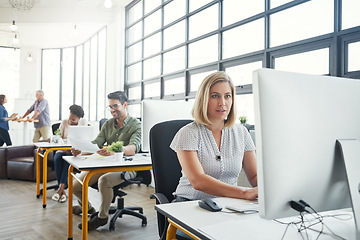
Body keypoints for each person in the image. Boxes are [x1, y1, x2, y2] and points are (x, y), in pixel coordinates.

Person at [170, 71, 258, 202]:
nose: (222, 103)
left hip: (227, 204)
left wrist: (268, 190)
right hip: (189, 203)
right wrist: (244, 193)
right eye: (215, 96)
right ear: (204, 99)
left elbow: (254, 176)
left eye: (227, 96)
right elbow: (198, 181)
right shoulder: (188, 133)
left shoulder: (242, 133)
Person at [71, 91, 141, 231]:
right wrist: (81, 150)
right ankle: (90, 209)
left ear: (125, 105)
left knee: (104, 181)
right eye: (110, 106)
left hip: (127, 166)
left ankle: (102, 218)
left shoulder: (135, 124)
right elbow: (96, 144)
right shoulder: (108, 124)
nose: (112, 109)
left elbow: (133, 148)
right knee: (76, 185)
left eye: (115, 105)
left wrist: (116, 150)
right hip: (106, 163)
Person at [51, 104, 87, 203]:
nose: (71, 122)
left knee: (68, 159)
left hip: (75, 151)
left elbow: (84, 138)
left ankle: (60, 190)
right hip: (63, 149)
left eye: (73, 120)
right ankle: (63, 189)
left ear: (79, 118)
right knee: (57, 158)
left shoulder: (83, 122)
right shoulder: (64, 122)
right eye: (70, 119)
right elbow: (59, 137)